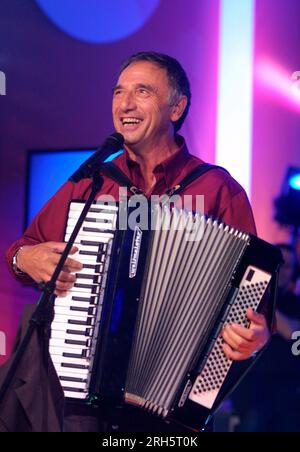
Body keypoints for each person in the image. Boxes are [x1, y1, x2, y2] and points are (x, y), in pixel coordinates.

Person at [5, 51, 271, 432]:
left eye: (142, 91)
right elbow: (22, 249)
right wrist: (25, 259)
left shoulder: (217, 189)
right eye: (118, 92)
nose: (125, 104)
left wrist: (254, 337)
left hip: (175, 405)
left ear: (176, 108)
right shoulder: (93, 180)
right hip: (84, 397)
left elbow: (253, 306)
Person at [231, 243, 300, 432]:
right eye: (279, 263)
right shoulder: (252, 299)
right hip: (251, 389)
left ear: (293, 273)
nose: (282, 270)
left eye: (287, 266)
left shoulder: (294, 303)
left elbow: (295, 333)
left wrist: (264, 306)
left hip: (286, 392)